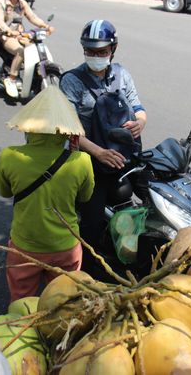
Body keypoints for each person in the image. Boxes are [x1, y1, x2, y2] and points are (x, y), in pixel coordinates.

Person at [59, 19, 147, 273]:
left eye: (102, 52)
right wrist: (98, 152)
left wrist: (140, 122)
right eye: (90, 51)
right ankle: (88, 272)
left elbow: (138, 107)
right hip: (89, 160)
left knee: (150, 196)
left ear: (113, 49)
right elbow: (68, 130)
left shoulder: (122, 74)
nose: (96, 56)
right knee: (92, 223)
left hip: (123, 154)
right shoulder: (72, 81)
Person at [0, 85, 94, 302]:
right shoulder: (82, 161)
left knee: (21, 302)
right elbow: (85, 198)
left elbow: (5, 192)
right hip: (65, 246)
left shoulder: (9, 156)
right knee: (63, 303)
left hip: (25, 244)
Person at [0, 0, 54, 97]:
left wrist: (45, 26)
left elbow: (32, 17)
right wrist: (9, 30)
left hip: (21, 34)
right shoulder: (1, 4)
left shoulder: (22, 3)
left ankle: (34, 76)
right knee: (21, 51)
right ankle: (11, 78)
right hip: (7, 36)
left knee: (34, 50)